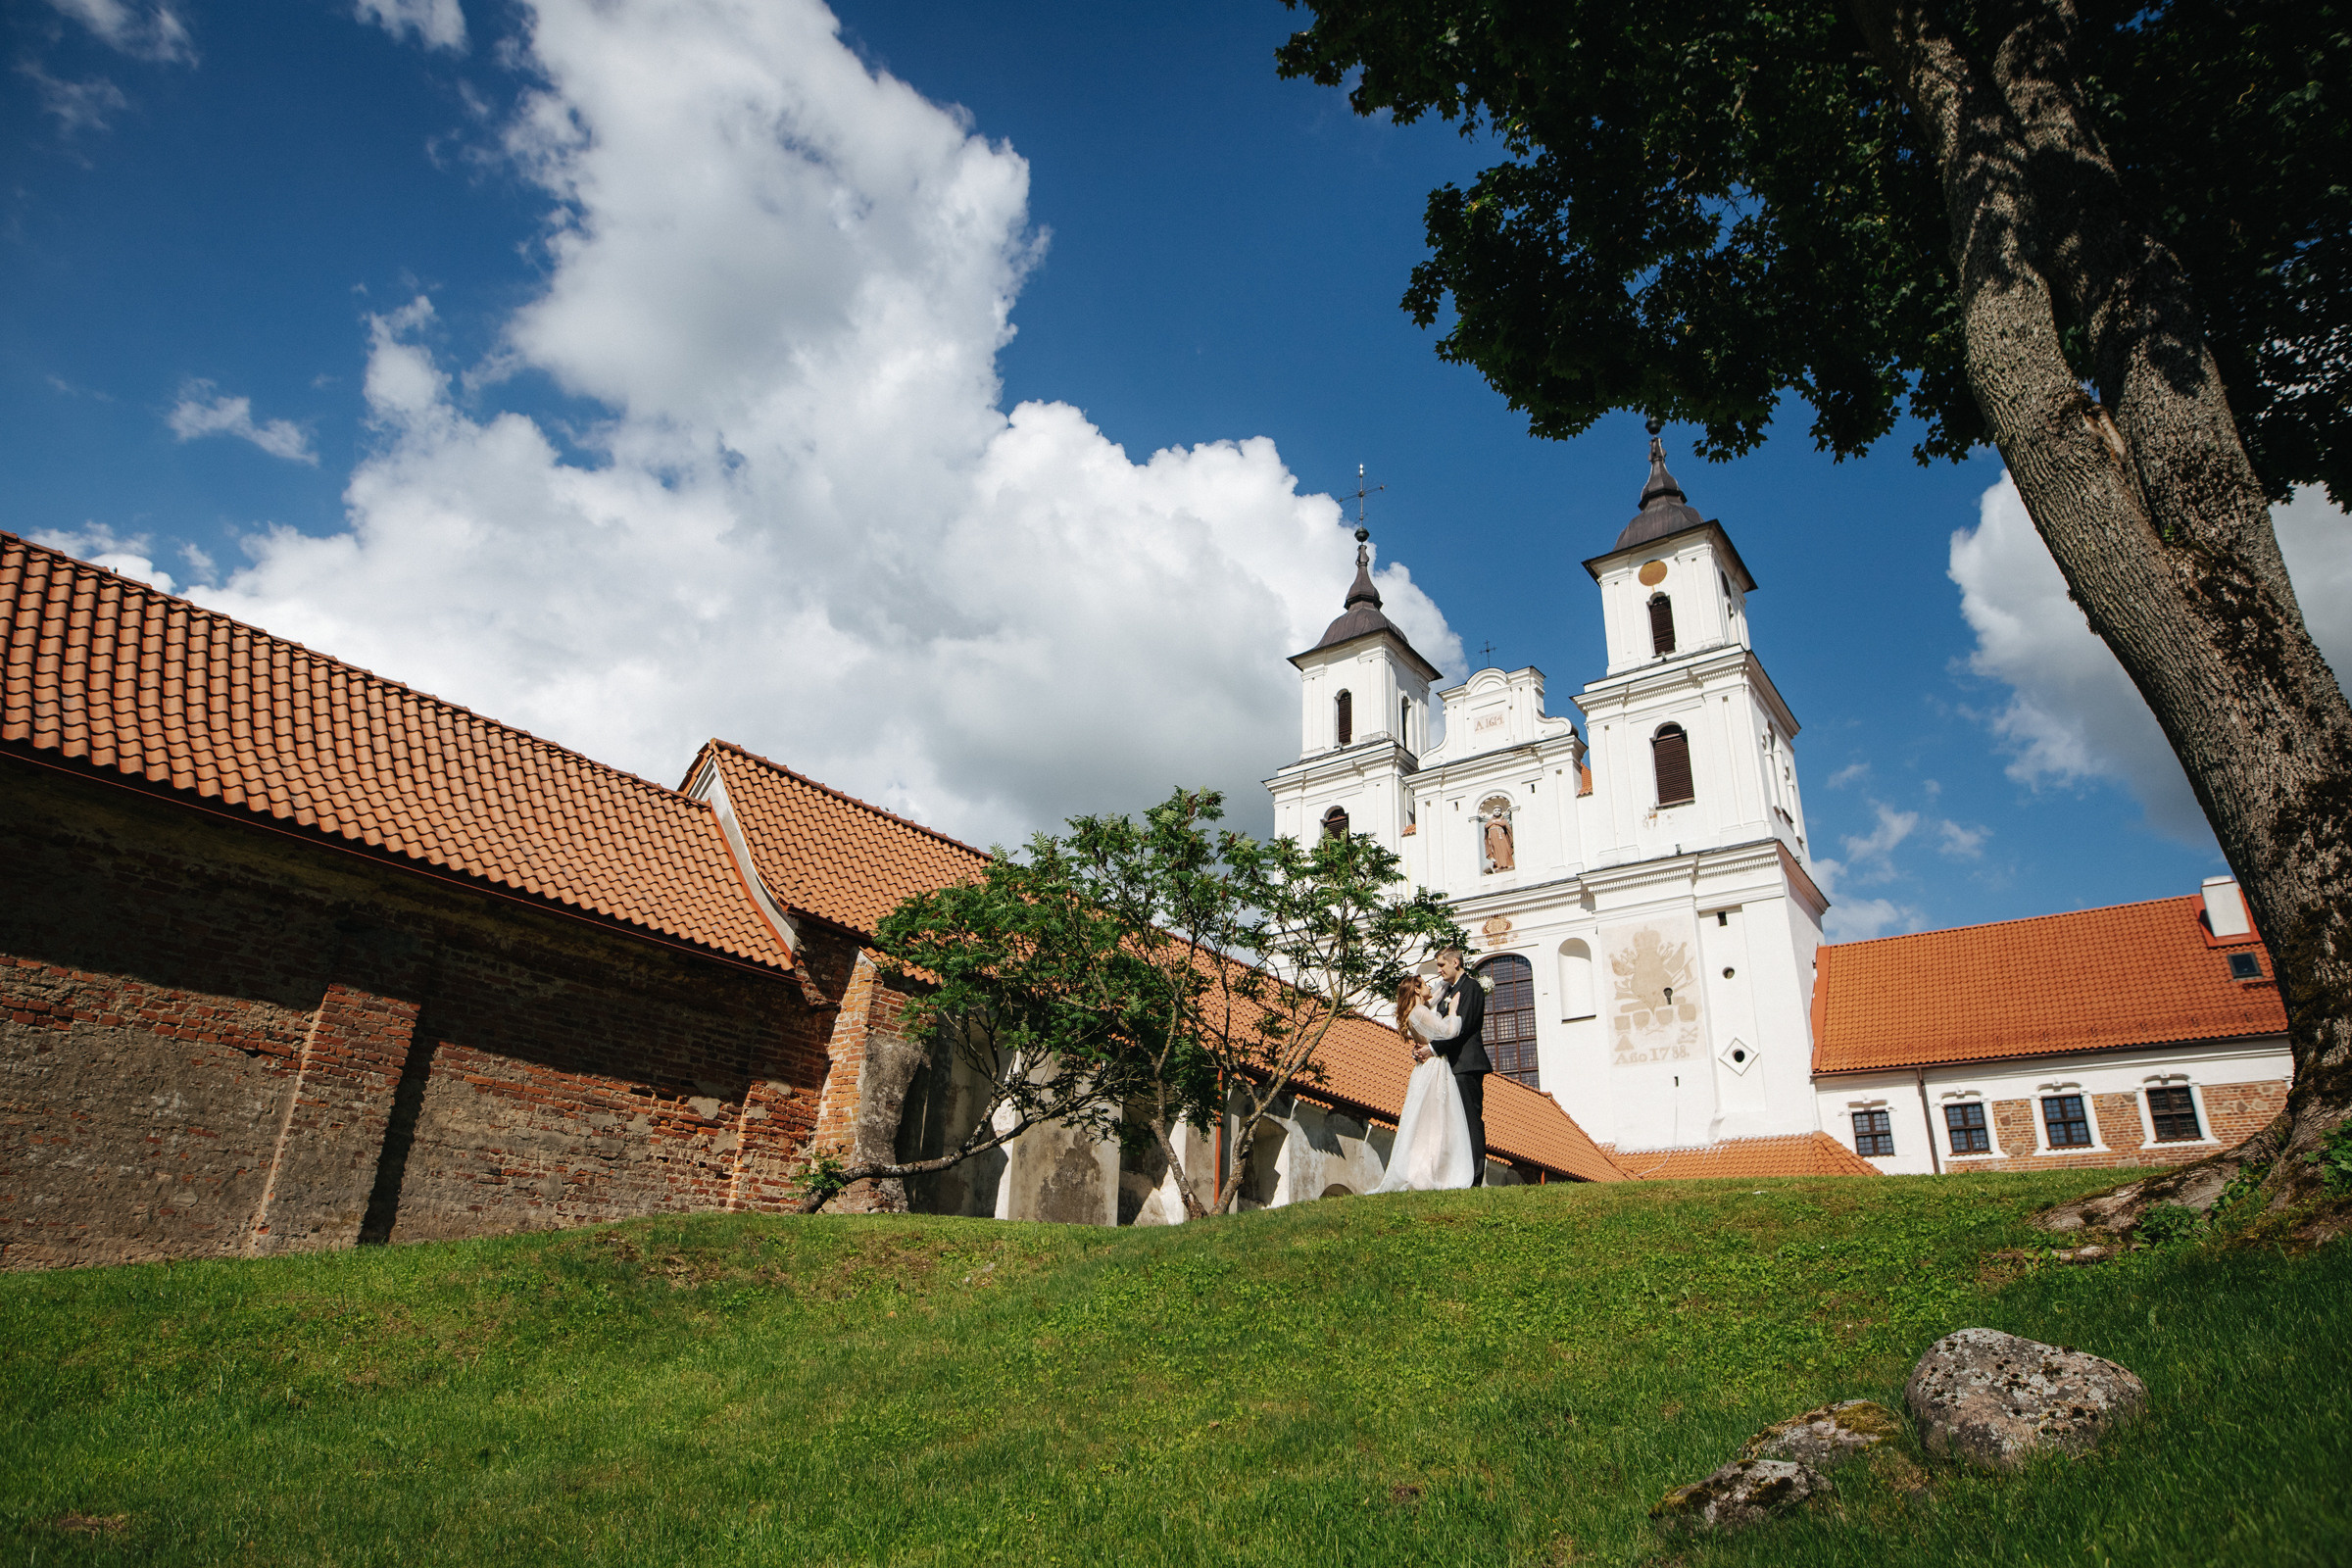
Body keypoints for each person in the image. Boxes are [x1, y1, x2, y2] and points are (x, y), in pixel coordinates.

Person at [1369, 974, 1476, 1193]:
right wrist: (1454, 1010)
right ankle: (1430, 1172)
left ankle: (1429, 1168)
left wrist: (1447, 982)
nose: (1429, 986)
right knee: (1435, 1123)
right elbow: (1449, 1031)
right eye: (1425, 984)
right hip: (1434, 1068)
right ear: (1417, 990)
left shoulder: (1416, 1011)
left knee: (1426, 1122)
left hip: (1424, 1069)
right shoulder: (1420, 1013)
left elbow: (1434, 996)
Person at [1407, 947, 1491, 1185]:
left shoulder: (1471, 988)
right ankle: (1455, 1175)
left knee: (1470, 1121)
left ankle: (1474, 1177)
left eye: (1442, 965)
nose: (1439, 970)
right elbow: (1438, 1028)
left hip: (1466, 1064)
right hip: (1445, 1066)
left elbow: (1462, 1030)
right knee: (1452, 1124)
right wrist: (1422, 1046)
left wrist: (1432, 1049)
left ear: (1456, 962)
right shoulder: (1445, 992)